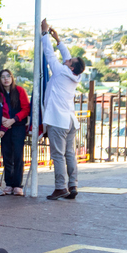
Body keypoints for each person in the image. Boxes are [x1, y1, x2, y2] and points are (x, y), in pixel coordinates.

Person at [41, 19, 85, 200]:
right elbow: (67, 56)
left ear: (71, 66)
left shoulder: (60, 71)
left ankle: (60, 187)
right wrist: (58, 40)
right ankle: (72, 184)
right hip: (71, 120)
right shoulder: (76, 75)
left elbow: (49, 55)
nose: (66, 59)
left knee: (58, 155)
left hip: (58, 120)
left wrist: (45, 34)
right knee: (70, 154)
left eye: (69, 61)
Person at [0, 69, 30, 196]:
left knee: (18, 155)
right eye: (3, 77)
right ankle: (9, 183)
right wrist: (2, 119)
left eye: (8, 76)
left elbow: (26, 109)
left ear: (12, 78)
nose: (6, 79)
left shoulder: (19, 90)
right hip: (4, 126)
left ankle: (17, 184)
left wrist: (14, 119)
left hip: (18, 126)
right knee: (6, 155)